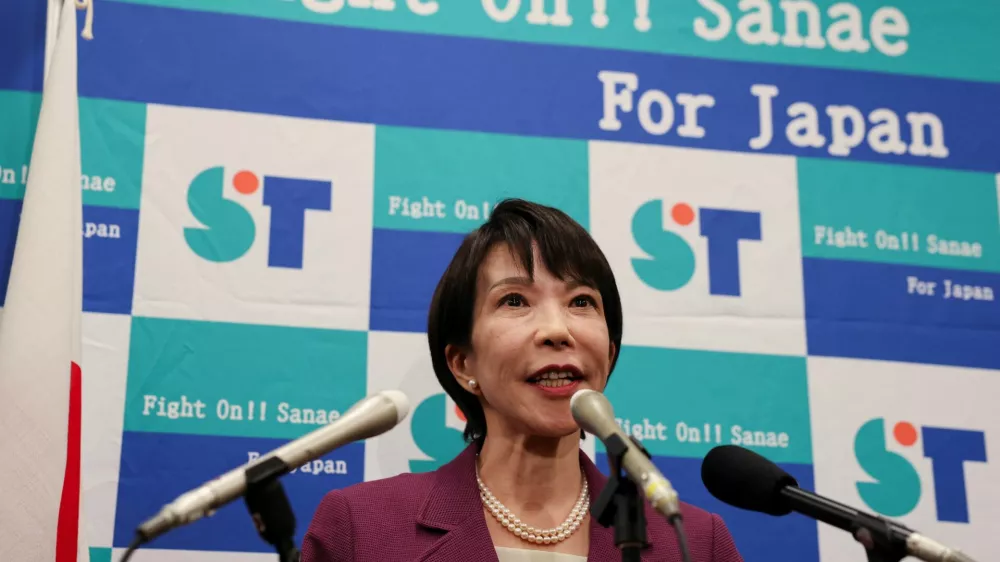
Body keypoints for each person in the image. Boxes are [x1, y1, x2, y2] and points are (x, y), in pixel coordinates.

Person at [301, 199, 743, 561]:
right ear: (463, 364)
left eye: (581, 301)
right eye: (515, 300)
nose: (557, 330)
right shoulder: (361, 528)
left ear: (609, 353)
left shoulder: (695, 542)